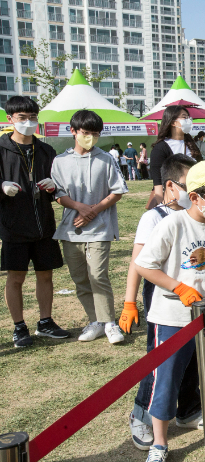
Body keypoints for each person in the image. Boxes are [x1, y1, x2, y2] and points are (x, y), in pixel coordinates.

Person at [134, 160, 205, 462]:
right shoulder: (173, 224)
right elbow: (144, 265)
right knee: (166, 379)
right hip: (171, 317)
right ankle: (159, 443)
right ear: (194, 197)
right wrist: (178, 287)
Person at [119, 154, 203, 451]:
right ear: (171, 186)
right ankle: (142, 413)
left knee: (193, 356)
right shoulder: (153, 217)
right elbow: (137, 263)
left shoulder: (195, 214)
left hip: (194, 299)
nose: (197, 193)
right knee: (161, 362)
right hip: (163, 299)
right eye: (190, 186)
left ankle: (189, 409)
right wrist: (130, 303)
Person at [51, 110, 128, 344]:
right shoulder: (60, 161)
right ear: (73, 131)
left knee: (98, 275)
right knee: (80, 278)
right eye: (86, 133)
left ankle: (110, 323)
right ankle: (95, 320)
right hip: (71, 229)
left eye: (95, 134)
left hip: (101, 227)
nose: (91, 138)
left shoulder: (105, 159)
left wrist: (93, 210)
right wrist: (79, 207)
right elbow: (58, 193)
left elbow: (117, 191)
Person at [0, 96, 69, 348]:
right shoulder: (1, 148)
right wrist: (2, 186)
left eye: (32, 117)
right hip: (13, 226)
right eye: (22, 118)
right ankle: (19, 326)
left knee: (45, 275)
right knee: (15, 277)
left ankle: (45, 322)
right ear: (10, 119)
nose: (28, 122)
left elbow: (59, 184)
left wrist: (54, 187)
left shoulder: (45, 150)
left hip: (43, 225)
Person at [149, 105, 200, 205]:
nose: (188, 120)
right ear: (173, 122)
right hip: (172, 201)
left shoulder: (192, 145)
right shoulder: (160, 148)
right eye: (184, 117)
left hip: (193, 199)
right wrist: (164, 207)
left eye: (189, 118)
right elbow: (158, 183)